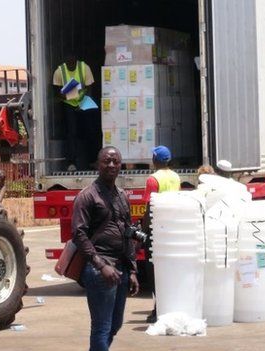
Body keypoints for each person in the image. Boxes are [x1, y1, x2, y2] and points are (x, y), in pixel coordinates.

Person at [72, 146, 139, 351]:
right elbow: (79, 234)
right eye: (106, 161)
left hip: (121, 269)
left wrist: (133, 269)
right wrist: (101, 266)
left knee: (115, 324)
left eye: (115, 161)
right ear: (98, 165)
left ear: (121, 165)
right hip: (100, 269)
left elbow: (127, 232)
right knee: (101, 327)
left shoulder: (121, 195)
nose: (111, 165)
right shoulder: (88, 196)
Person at [141, 145, 181, 323]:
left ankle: (159, 308)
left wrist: (143, 230)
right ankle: (169, 305)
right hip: (171, 227)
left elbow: (150, 206)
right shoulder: (175, 176)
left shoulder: (153, 179)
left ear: (155, 160)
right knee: (169, 269)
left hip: (156, 228)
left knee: (153, 270)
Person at [53, 54, 99, 171]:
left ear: (76, 61)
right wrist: (66, 95)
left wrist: (83, 104)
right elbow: (57, 92)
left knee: (90, 130)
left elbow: (90, 89)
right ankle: (71, 162)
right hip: (69, 104)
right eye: (69, 63)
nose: (71, 65)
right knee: (71, 133)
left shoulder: (84, 68)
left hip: (84, 102)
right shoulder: (59, 71)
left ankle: (93, 160)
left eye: (73, 62)